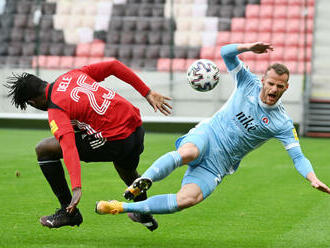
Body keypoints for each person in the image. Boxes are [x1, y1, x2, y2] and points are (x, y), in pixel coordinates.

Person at [95, 42, 330, 220]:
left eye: (280, 86)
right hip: (209, 134)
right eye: (270, 83)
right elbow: (226, 53)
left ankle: (120, 206)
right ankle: (146, 179)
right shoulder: (247, 81)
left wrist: (312, 178)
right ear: (263, 80)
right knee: (189, 152)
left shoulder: (282, 123)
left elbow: (298, 157)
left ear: (286, 88)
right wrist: (248, 47)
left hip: (220, 163)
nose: (273, 89)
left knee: (187, 199)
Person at [5, 59, 172, 231]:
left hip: (115, 140)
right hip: (135, 128)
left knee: (44, 149)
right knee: (127, 170)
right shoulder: (71, 75)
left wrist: (76, 187)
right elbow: (113, 65)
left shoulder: (56, 109)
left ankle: (67, 212)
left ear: (33, 102)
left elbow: (69, 147)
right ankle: (143, 213)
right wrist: (147, 92)